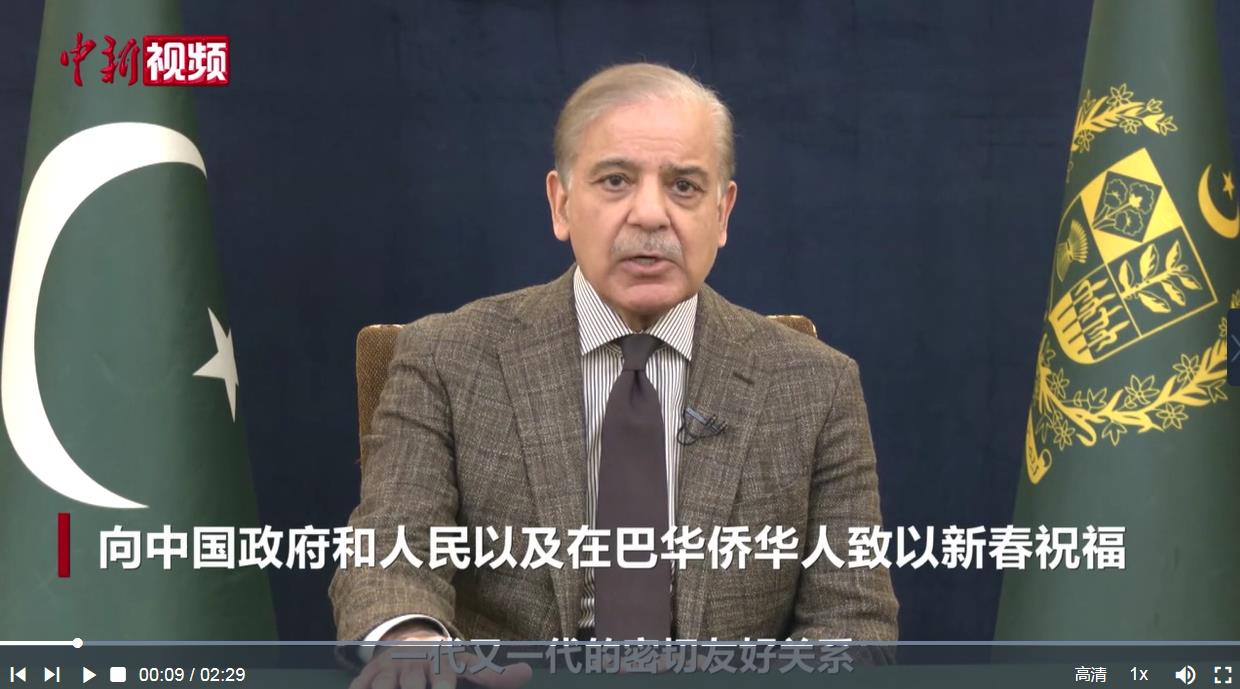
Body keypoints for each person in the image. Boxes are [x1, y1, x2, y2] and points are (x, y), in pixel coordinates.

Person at [331, 62, 898, 688]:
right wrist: (412, 643)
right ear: (561, 203)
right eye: (615, 180)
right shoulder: (448, 357)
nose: (650, 214)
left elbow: (854, 621)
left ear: (723, 212)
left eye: (684, 186)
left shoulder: (816, 386)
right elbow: (388, 555)